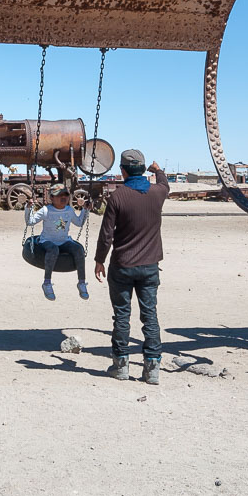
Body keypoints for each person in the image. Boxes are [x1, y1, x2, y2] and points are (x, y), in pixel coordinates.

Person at [94, 149, 169, 385]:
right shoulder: (158, 193)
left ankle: (121, 365)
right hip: (149, 266)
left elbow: (106, 234)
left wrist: (99, 260)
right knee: (150, 316)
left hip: (122, 265)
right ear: (143, 168)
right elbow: (165, 184)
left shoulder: (117, 197)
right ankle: (152, 369)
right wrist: (158, 170)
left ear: (123, 171)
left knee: (122, 316)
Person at [26, 184, 89, 301]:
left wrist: (85, 210)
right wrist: (28, 208)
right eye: (59, 195)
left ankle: (81, 282)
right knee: (53, 249)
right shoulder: (46, 210)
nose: (63, 197)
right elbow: (30, 222)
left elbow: (79, 223)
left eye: (65, 194)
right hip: (47, 240)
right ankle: (47, 283)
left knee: (79, 250)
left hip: (64, 240)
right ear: (51, 198)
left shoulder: (69, 210)